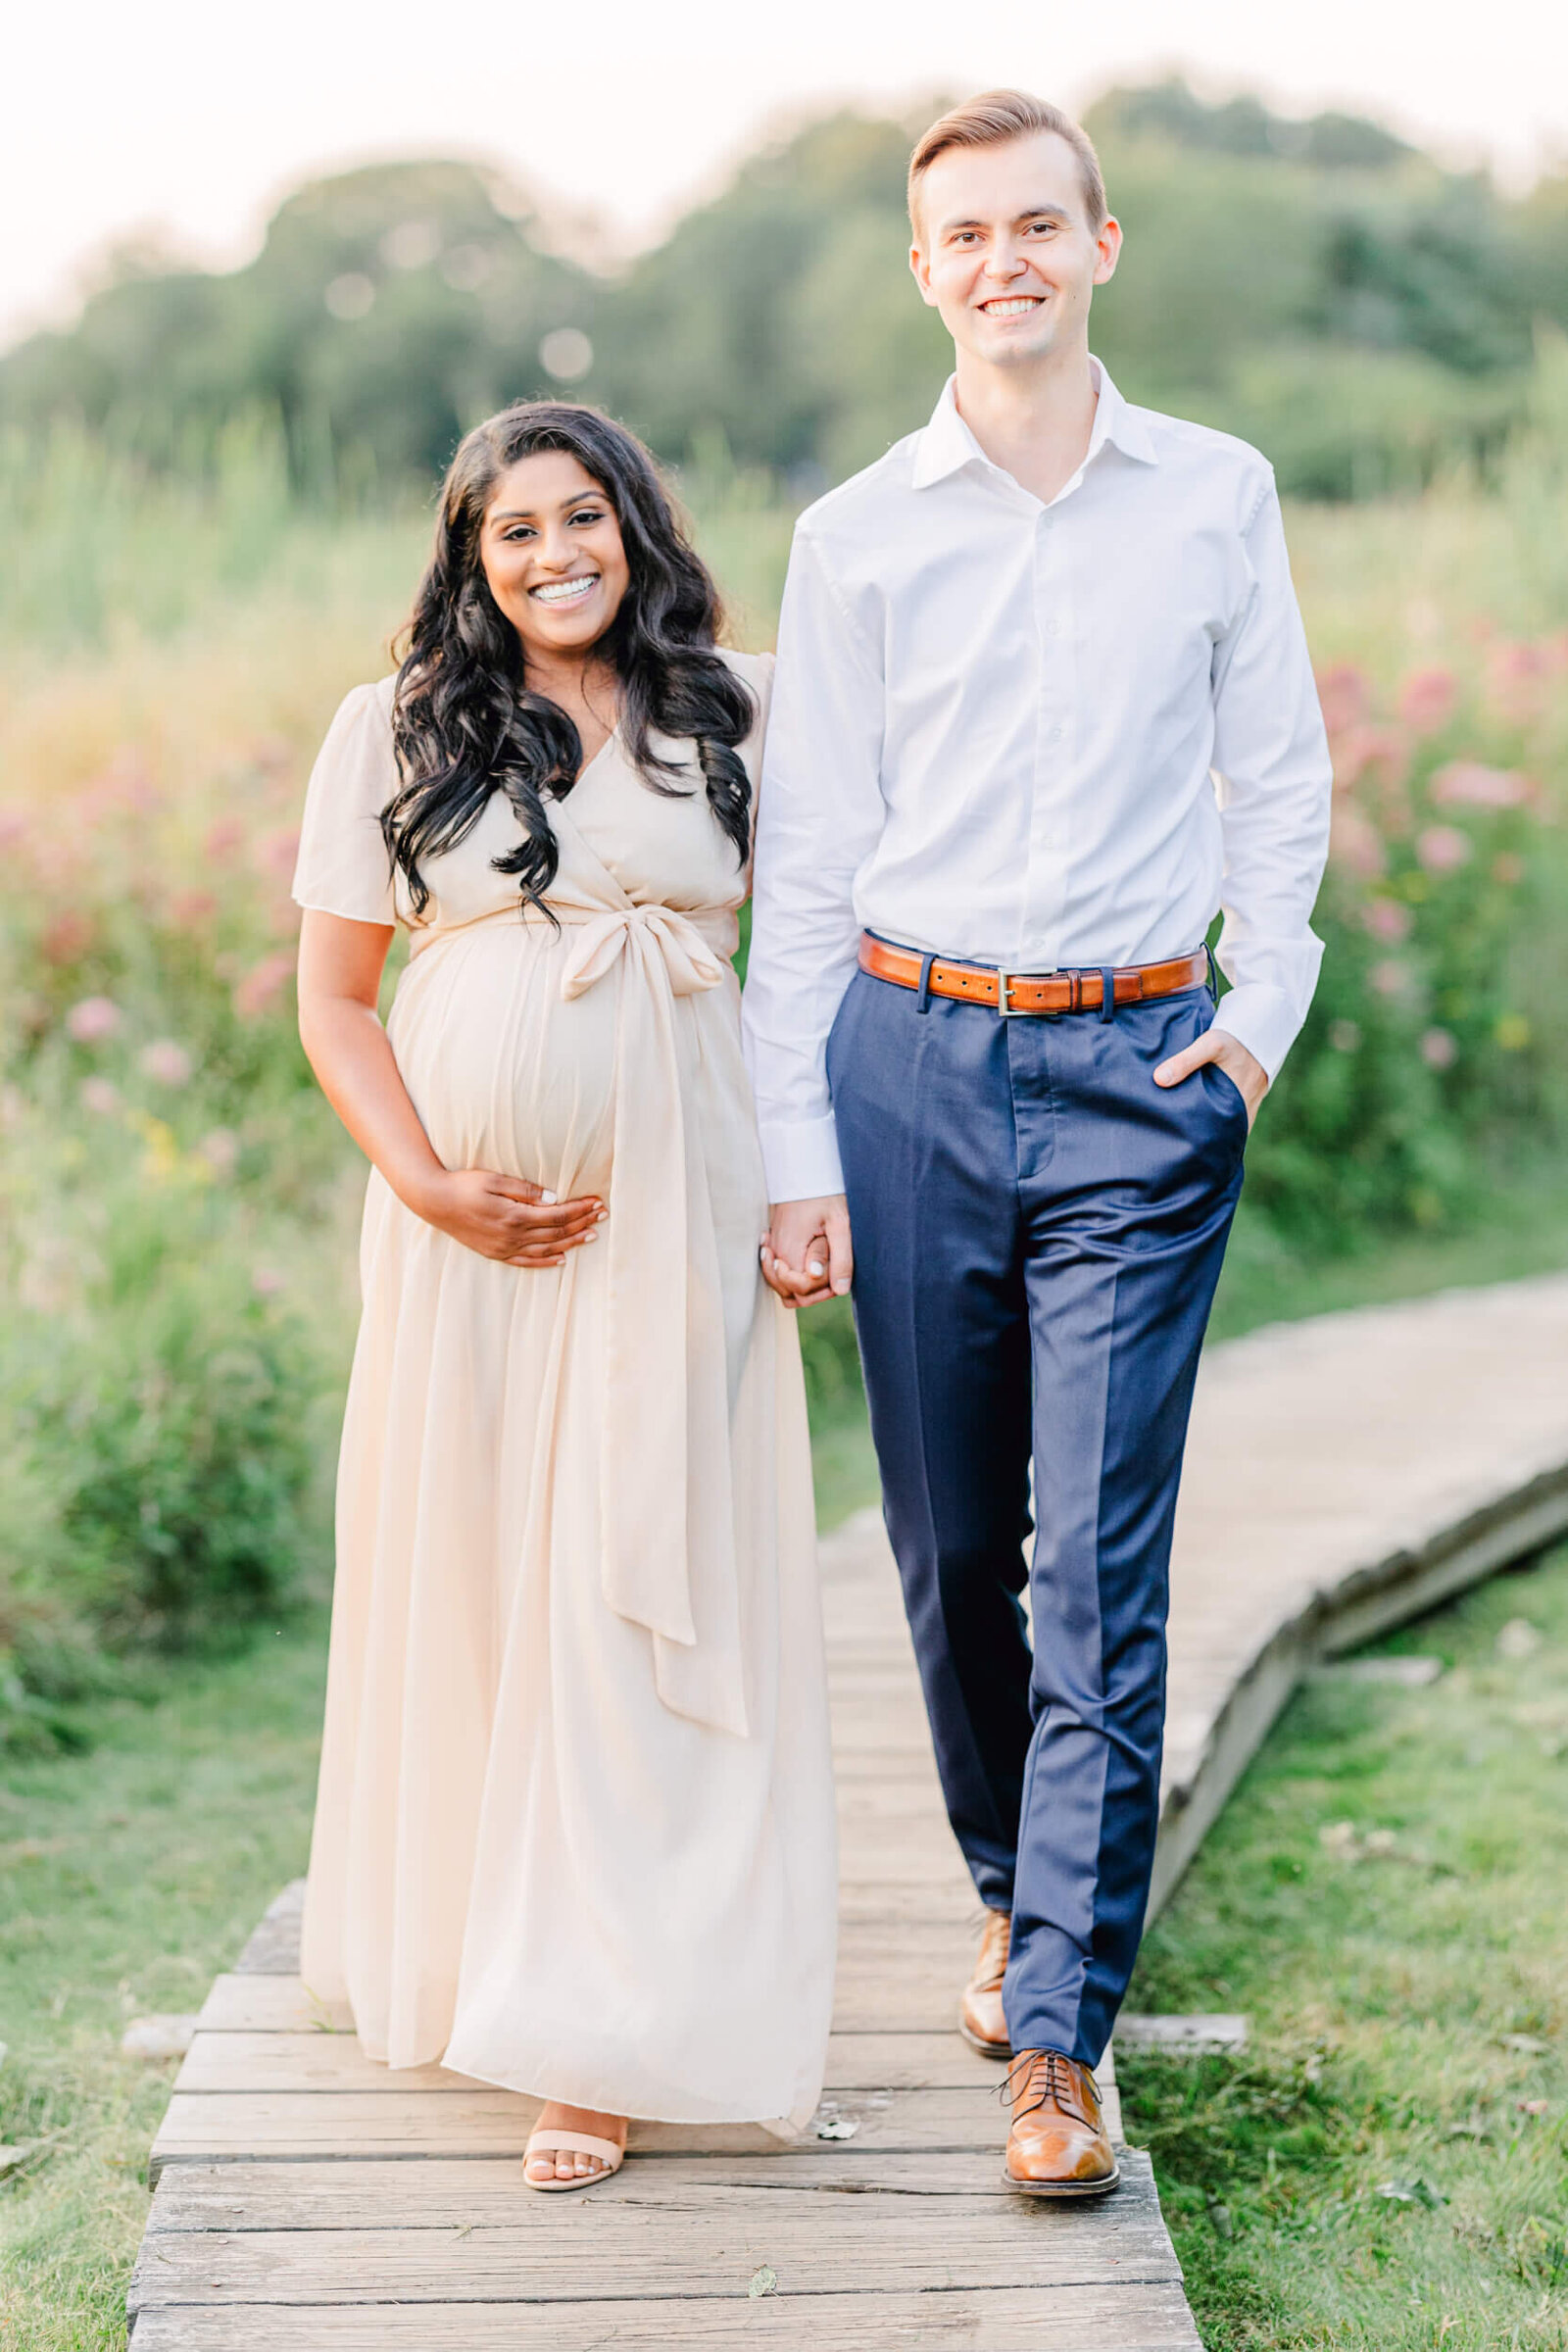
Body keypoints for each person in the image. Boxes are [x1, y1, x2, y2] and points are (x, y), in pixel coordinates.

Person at [745, 91, 1331, 2196]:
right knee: (941, 1553)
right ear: (926, 273)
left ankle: (1059, 2038)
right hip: (905, 1060)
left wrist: (1252, 1029)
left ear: (1099, 248)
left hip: (1138, 1080)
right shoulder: (860, 532)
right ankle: (1011, 1894)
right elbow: (803, 863)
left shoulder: (1211, 497)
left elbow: (1275, 785)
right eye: (960, 234)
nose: (998, 259)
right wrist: (790, 1142)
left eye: (1032, 226)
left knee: (1093, 1560)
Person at [292, 401, 836, 2193]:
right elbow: (339, 1004)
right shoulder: (394, 729)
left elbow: (812, 958)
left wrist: (799, 1177)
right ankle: (469, 1950)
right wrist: (429, 1181)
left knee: (630, 1586)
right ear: (470, 560)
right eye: (511, 531)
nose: (553, 554)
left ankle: (594, 2034)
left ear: (637, 526)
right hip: (471, 1234)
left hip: (678, 1214)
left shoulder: (739, 706)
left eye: (581, 515)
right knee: (480, 1580)